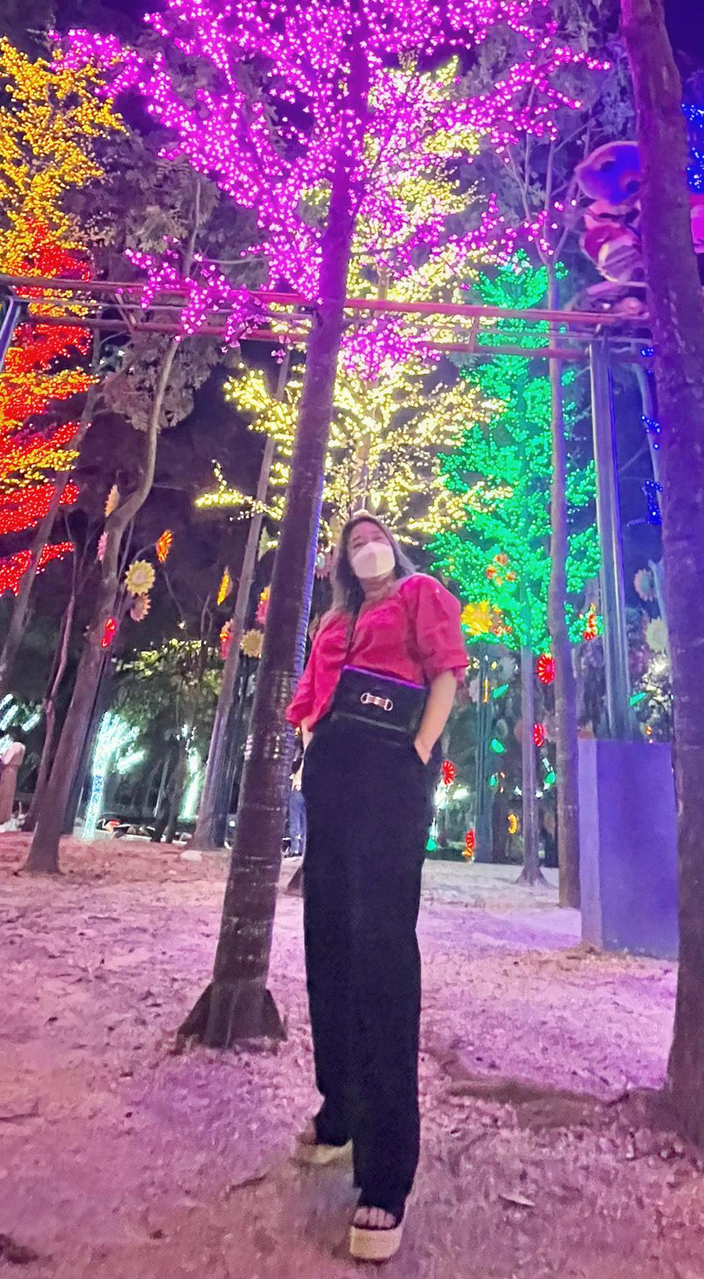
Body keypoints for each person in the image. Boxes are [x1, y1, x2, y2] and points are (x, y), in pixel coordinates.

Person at [286, 511, 466, 1265]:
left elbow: (447, 671)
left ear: (394, 545)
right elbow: (308, 697)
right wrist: (310, 747)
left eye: (375, 537)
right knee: (326, 939)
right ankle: (341, 1109)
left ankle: (387, 1173)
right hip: (331, 772)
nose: (366, 548)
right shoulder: (333, 621)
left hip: (393, 770)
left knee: (382, 946)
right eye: (353, 543)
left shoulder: (421, 593)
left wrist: (419, 753)